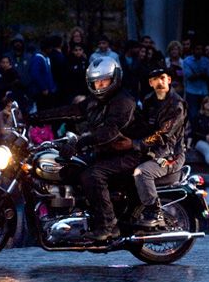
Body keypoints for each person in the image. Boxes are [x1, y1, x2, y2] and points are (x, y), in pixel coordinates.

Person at [29, 57, 144, 242]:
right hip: (107, 153)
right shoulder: (96, 100)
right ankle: (79, 212)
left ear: (114, 78)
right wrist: (37, 117)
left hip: (128, 154)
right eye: (95, 82)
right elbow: (73, 110)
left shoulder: (123, 102)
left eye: (104, 80)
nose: (99, 85)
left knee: (93, 175)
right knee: (71, 168)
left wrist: (79, 143)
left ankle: (107, 225)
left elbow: (109, 132)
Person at [117, 67, 187, 230]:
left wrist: (133, 144)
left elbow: (163, 135)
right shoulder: (149, 100)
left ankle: (155, 212)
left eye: (163, 78)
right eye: (155, 79)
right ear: (150, 82)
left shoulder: (177, 105)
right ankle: (128, 214)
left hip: (170, 156)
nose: (160, 81)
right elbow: (141, 126)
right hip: (149, 152)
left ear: (169, 80)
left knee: (143, 172)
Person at [182, 43, 209, 119]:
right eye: (197, 49)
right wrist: (201, 75)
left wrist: (197, 75)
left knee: (205, 113)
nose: (199, 51)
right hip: (192, 91)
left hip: (203, 91)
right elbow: (190, 76)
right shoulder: (187, 61)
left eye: (201, 49)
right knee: (193, 114)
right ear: (193, 50)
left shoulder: (206, 60)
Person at [29, 37, 57, 111]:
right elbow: (35, 75)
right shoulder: (38, 59)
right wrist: (43, 87)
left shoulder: (46, 58)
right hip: (41, 92)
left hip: (49, 90)